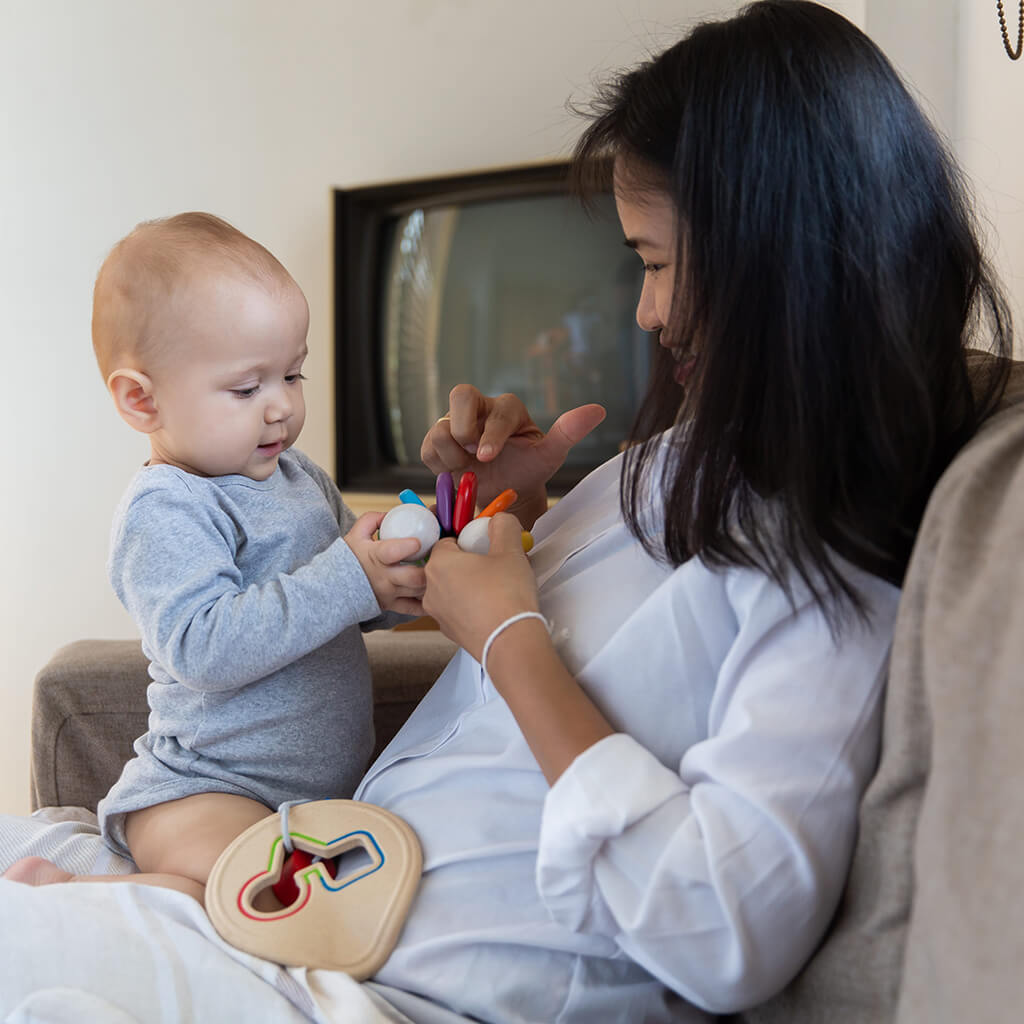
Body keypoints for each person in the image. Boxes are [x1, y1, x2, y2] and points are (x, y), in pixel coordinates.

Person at [0, 3, 1014, 1023]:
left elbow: (721, 930)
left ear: (775, 251)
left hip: (388, 975)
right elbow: (513, 605)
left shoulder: (832, 560)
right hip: (320, 898)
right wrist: (502, 507)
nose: (644, 314)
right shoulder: (690, 458)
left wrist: (508, 634)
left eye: (655, 261)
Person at [2, 212, 426, 905]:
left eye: (293, 374)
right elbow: (203, 648)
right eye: (245, 388)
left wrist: (393, 581)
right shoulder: (167, 508)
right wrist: (350, 577)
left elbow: (345, 603)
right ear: (142, 400)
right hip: (205, 787)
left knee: (325, 888)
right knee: (245, 892)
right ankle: (64, 893)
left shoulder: (299, 476)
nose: (281, 408)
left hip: (316, 793)